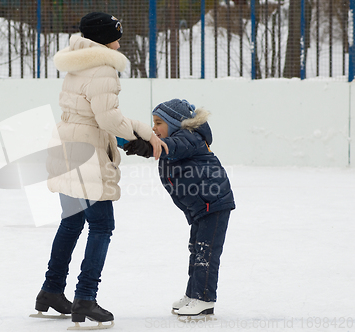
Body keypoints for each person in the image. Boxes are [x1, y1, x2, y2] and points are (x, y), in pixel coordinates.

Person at [33, 12, 168, 327]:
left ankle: (51, 290)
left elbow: (92, 115)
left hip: (66, 146)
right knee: (102, 226)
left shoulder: (77, 62)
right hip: (87, 156)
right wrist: (143, 133)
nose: (119, 41)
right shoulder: (104, 68)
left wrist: (124, 138)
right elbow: (107, 118)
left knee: (70, 224)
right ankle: (86, 298)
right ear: (104, 39)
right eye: (115, 35)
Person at [123, 99, 235, 317]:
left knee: (205, 251)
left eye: (159, 123)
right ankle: (193, 293)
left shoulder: (188, 138)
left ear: (175, 123)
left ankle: (204, 298)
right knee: (196, 249)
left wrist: (146, 147)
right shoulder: (179, 139)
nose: (154, 128)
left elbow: (168, 149)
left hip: (214, 203)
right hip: (201, 206)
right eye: (152, 123)